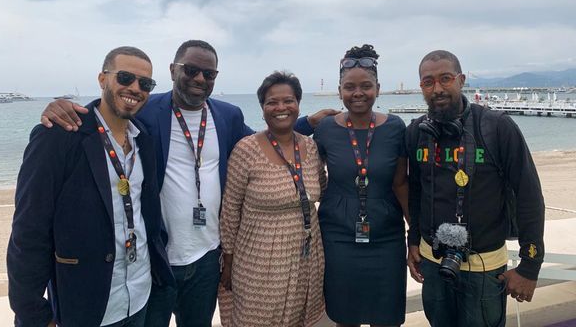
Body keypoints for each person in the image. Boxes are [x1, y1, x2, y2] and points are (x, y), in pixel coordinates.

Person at [40, 40, 337, 327]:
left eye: (208, 74)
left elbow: (267, 140)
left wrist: (307, 123)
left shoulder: (227, 116)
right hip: (156, 257)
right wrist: (63, 109)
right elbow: (111, 110)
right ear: (173, 71)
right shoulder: (146, 109)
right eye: (191, 70)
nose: (199, 78)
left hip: (207, 258)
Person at [7, 46, 174, 327]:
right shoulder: (60, 136)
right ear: (102, 79)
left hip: (141, 294)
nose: (135, 88)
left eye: (145, 83)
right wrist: (33, 314)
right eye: (125, 77)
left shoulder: (143, 138)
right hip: (88, 306)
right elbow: (28, 231)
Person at [405, 50, 545, 327]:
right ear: (421, 87)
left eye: (446, 79)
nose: (438, 88)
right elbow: (417, 192)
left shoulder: (497, 127)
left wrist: (530, 266)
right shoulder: (416, 132)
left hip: (484, 267)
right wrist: (413, 241)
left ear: (461, 80)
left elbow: (529, 195)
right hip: (434, 262)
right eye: (428, 82)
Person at [219, 71, 326, 326]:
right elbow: (230, 211)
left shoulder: (310, 148)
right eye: (272, 102)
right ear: (263, 108)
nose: (281, 108)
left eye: (288, 100)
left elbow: (323, 187)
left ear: (298, 104)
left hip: (306, 257)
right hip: (258, 260)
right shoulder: (246, 150)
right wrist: (228, 261)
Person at [313, 44, 409, 327]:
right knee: (344, 316)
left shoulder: (395, 128)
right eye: (349, 87)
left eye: (366, 86)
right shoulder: (326, 128)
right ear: (339, 90)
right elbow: (292, 149)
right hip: (338, 236)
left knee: (387, 317)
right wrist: (307, 121)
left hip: (387, 236)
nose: (358, 93)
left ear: (378, 88)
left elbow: (401, 183)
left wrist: (414, 231)